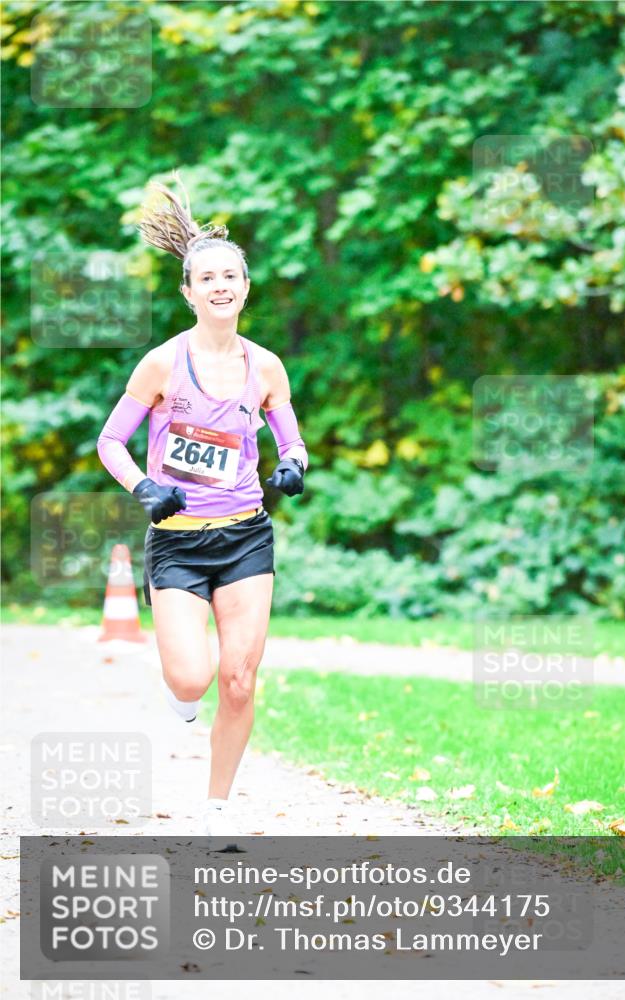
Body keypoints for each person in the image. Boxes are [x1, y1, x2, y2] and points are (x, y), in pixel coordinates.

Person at [96, 173, 308, 835]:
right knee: (193, 680)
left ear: (245, 288)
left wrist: (294, 463)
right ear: (189, 292)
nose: (220, 287)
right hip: (179, 542)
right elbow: (110, 441)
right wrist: (143, 487)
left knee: (240, 678)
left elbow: (289, 434)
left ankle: (217, 810)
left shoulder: (266, 366)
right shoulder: (161, 364)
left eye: (231, 277)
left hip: (246, 536)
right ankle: (179, 690)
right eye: (207, 278)